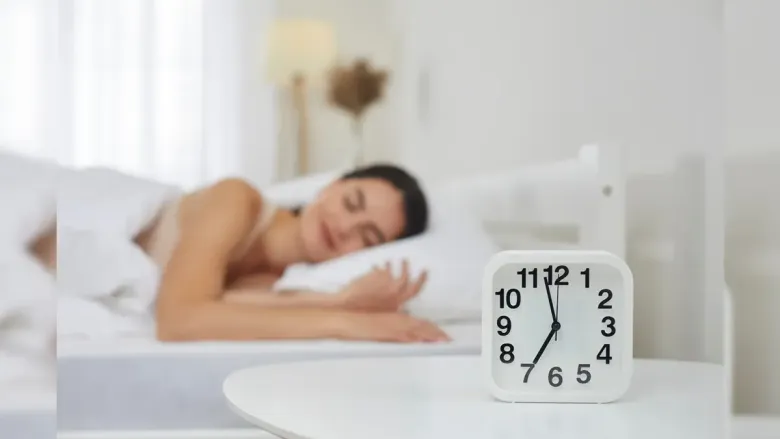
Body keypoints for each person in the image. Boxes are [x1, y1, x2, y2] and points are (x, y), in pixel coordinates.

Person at [134, 164, 451, 343]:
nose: (343, 227)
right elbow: (179, 320)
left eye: (367, 237)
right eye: (351, 203)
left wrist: (341, 301)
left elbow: (219, 306)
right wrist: (344, 322)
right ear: (331, 186)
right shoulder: (237, 199)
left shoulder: (278, 280)